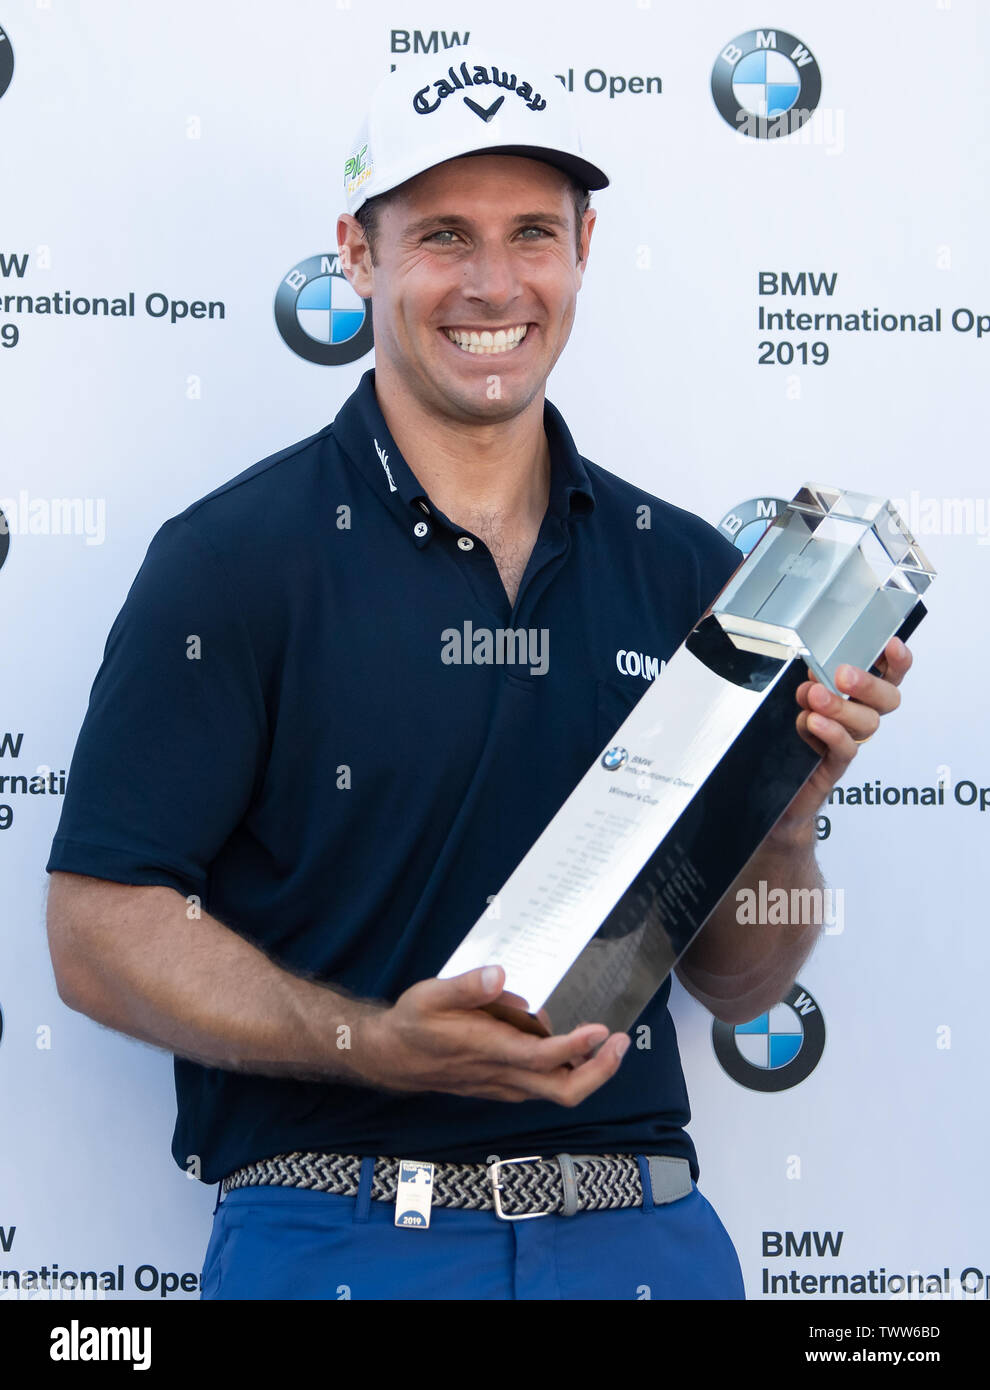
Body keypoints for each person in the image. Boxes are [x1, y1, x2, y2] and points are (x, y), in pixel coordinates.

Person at [44, 49, 911, 1301]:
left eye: (532, 235)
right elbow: (97, 928)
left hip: (640, 1239)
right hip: (341, 1238)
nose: (494, 283)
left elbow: (739, 983)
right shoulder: (232, 560)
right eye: (444, 235)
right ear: (358, 253)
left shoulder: (691, 577)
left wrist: (781, 831)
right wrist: (371, 1043)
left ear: (584, 249)